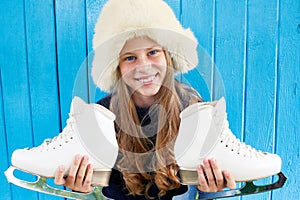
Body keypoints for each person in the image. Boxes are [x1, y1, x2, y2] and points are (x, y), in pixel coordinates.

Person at [54, 0, 236, 199]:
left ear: (168, 56)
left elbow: (203, 190)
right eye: (130, 58)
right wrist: (84, 191)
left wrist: (212, 191)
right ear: (118, 68)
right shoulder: (102, 116)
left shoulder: (194, 110)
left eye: (153, 52)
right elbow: (98, 193)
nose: (144, 66)